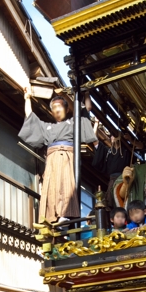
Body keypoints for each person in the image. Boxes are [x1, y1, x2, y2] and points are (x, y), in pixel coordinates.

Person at [19, 90, 96, 222]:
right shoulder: (47, 127)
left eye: (60, 106)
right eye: (54, 107)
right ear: (51, 112)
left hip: (67, 156)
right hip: (52, 158)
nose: (57, 110)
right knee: (51, 186)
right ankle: (51, 218)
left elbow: (87, 108)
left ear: (67, 108)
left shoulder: (73, 122)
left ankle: (64, 214)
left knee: (66, 185)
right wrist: (27, 99)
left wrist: (87, 93)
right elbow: (31, 117)